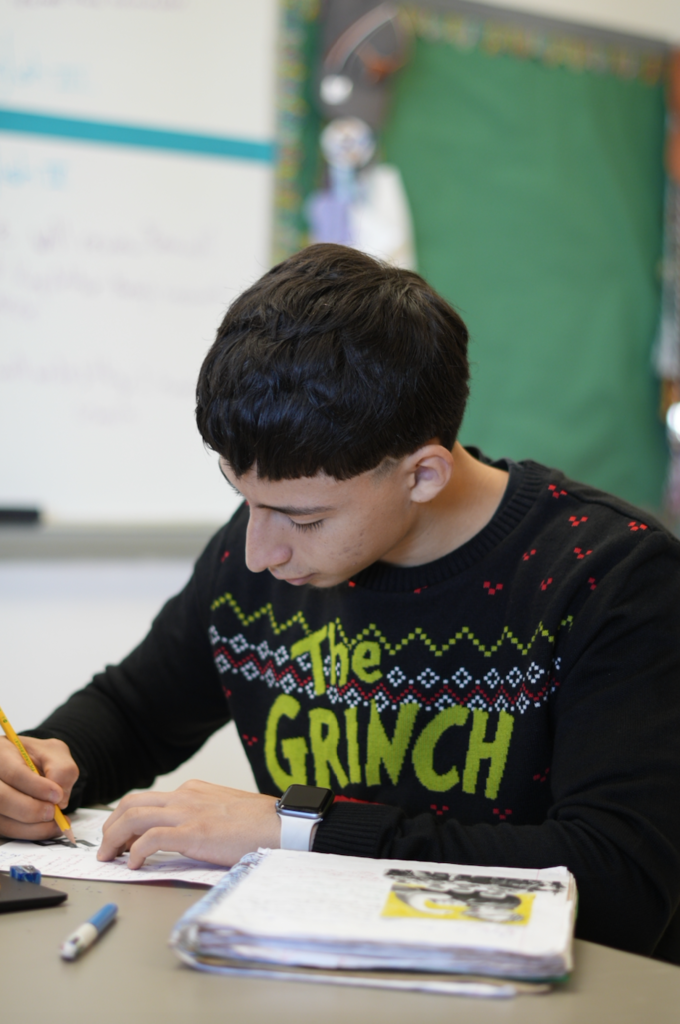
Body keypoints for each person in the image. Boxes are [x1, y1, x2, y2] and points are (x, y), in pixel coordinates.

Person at [1, 244, 679, 961]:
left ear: (422, 474)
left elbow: (622, 882)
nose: (262, 551)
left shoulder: (611, 577)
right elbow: (136, 712)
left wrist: (298, 830)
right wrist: (43, 764)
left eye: (304, 519)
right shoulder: (263, 552)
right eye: (244, 500)